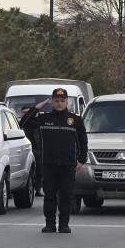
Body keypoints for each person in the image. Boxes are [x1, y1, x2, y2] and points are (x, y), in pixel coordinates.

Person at [32, 88, 88, 234]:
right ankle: (50, 224)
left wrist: (81, 160)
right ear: (52, 102)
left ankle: (64, 224)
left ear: (67, 102)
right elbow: (24, 123)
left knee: (66, 195)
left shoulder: (75, 119)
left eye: (62, 101)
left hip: (68, 164)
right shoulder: (43, 118)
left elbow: (83, 141)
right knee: (49, 195)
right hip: (48, 163)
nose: (59, 104)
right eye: (56, 101)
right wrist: (35, 108)